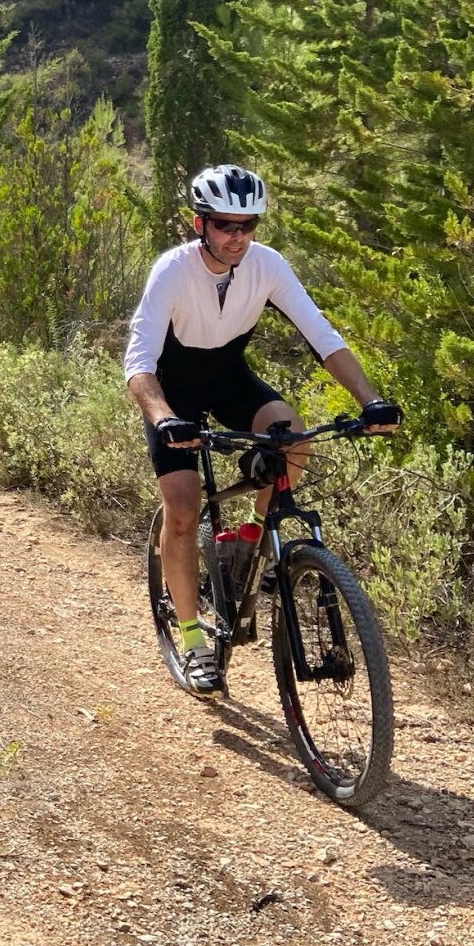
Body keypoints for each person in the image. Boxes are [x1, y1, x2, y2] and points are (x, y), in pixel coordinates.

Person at [125, 164, 401, 694]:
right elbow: (138, 361)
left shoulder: (267, 266)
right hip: (172, 392)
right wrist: (162, 418)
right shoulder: (172, 270)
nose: (238, 237)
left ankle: (248, 541)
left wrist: (371, 400)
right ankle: (193, 640)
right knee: (183, 510)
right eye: (226, 225)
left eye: (248, 225)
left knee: (292, 436)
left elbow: (322, 336)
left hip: (229, 380)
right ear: (198, 223)